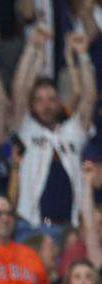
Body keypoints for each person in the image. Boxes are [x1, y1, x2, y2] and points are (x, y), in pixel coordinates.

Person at [10, 31, 95, 233]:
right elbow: (19, 90)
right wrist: (30, 48)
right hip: (32, 226)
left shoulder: (73, 130)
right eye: (39, 100)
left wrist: (83, 55)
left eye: (51, 99)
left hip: (70, 228)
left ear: (59, 102)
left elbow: (89, 98)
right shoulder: (27, 129)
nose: (46, 105)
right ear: (32, 105)